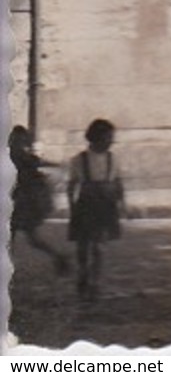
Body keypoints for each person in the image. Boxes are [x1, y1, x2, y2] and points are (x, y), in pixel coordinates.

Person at [67, 118, 125, 301]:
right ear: (95, 138)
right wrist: (72, 207)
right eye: (107, 137)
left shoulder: (113, 159)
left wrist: (123, 204)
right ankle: (83, 274)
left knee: (100, 246)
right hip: (86, 204)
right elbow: (72, 184)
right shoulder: (79, 159)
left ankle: (96, 281)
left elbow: (118, 183)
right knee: (83, 246)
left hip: (106, 205)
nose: (110, 141)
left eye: (111, 137)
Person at [9, 126, 72, 275]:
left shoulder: (20, 157)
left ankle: (59, 257)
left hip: (20, 203)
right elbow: (41, 163)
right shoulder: (23, 157)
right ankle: (58, 257)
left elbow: (40, 164)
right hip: (19, 202)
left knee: (24, 238)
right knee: (29, 238)